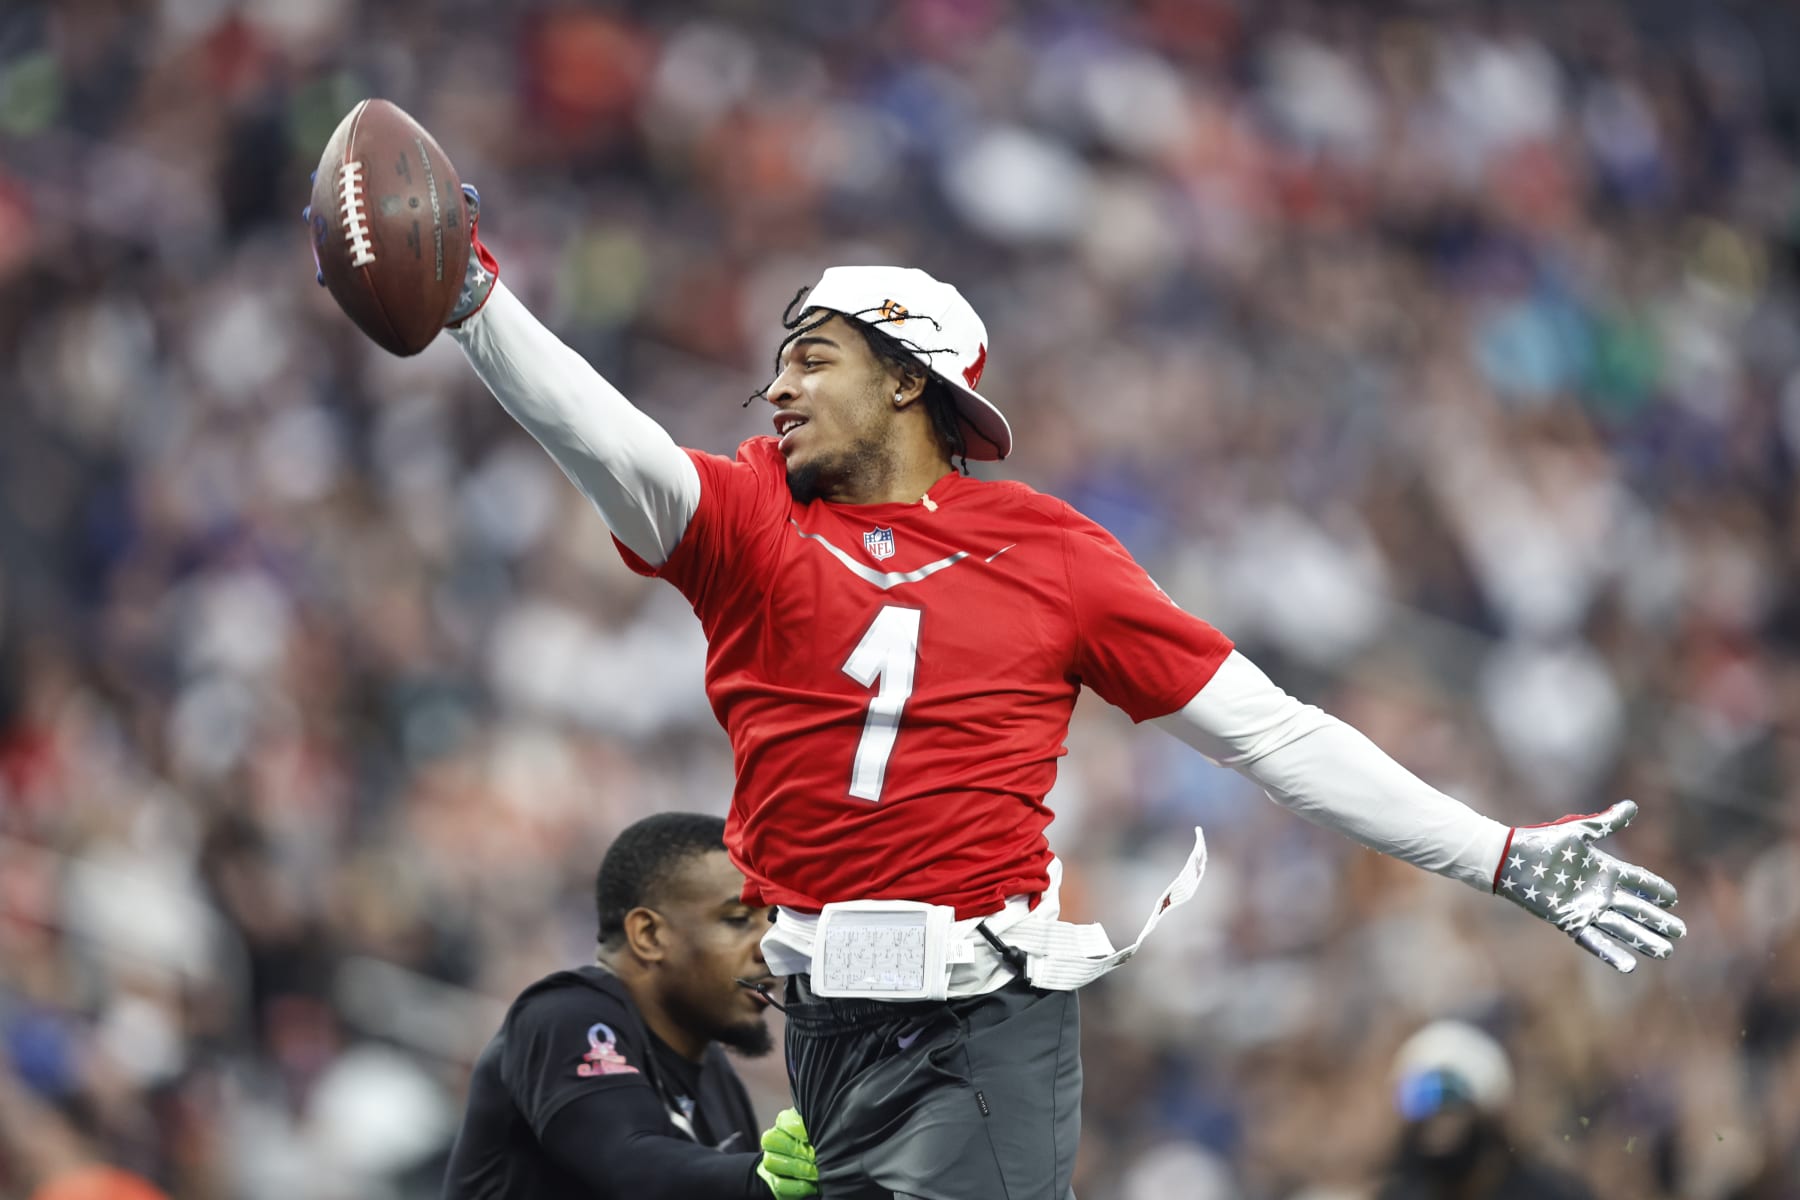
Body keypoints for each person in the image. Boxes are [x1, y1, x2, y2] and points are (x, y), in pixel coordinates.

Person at [320, 178, 1688, 1200]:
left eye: (814, 355)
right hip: (823, 1028)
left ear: (907, 379)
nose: (775, 387)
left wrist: (1496, 853)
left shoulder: (1055, 555)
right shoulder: (747, 519)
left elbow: (1271, 735)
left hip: (982, 1021)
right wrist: (477, 307)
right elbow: (605, 438)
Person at [439, 812, 819, 1200]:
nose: (770, 948)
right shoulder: (564, 1015)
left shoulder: (716, 1075)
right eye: (738, 920)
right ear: (648, 934)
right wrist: (761, 1178)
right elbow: (627, 1166)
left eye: (772, 921)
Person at [1377, 1021, 1595, 1200]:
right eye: (1421, 1104)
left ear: (1487, 1114)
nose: (1436, 1124)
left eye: (1450, 1103)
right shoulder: (1398, 1194)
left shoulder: (1552, 1193)